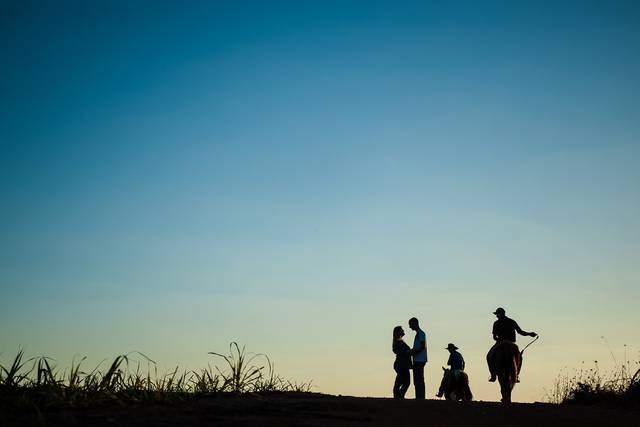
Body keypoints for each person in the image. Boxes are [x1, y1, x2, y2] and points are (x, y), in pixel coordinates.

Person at [486, 307, 537, 382]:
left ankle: (493, 375)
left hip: (500, 343)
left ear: (501, 314)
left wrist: (498, 339)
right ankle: (516, 375)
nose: (496, 316)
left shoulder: (496, 323)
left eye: (497, 314)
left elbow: (494, 336)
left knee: (489, 356)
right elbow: (521, 332)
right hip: (511, 343)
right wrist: (530, 334)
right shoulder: (512, 321)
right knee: (520, 357)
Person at [408, 317, 427, 399]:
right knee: (418, 379)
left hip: (419, 360)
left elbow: (423, 346)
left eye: (410, 324)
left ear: (415, 323)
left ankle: (420, 397)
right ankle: (419, 396)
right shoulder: (419, 334)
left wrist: (413, 352)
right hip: (418, 359)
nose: (410, 326)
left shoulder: (421, 333)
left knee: (418, 379)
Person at [392, 326, 411, 399]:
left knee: (401, 382)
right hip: (401, 365)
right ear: (398, 332)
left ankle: (399, 397)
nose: (403, 331)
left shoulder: (399, 341)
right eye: (402, 330)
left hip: (402, 365)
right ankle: (399, 397)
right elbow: (403, 352)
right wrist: (411, 351)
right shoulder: (398, 342)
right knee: (405, 382)